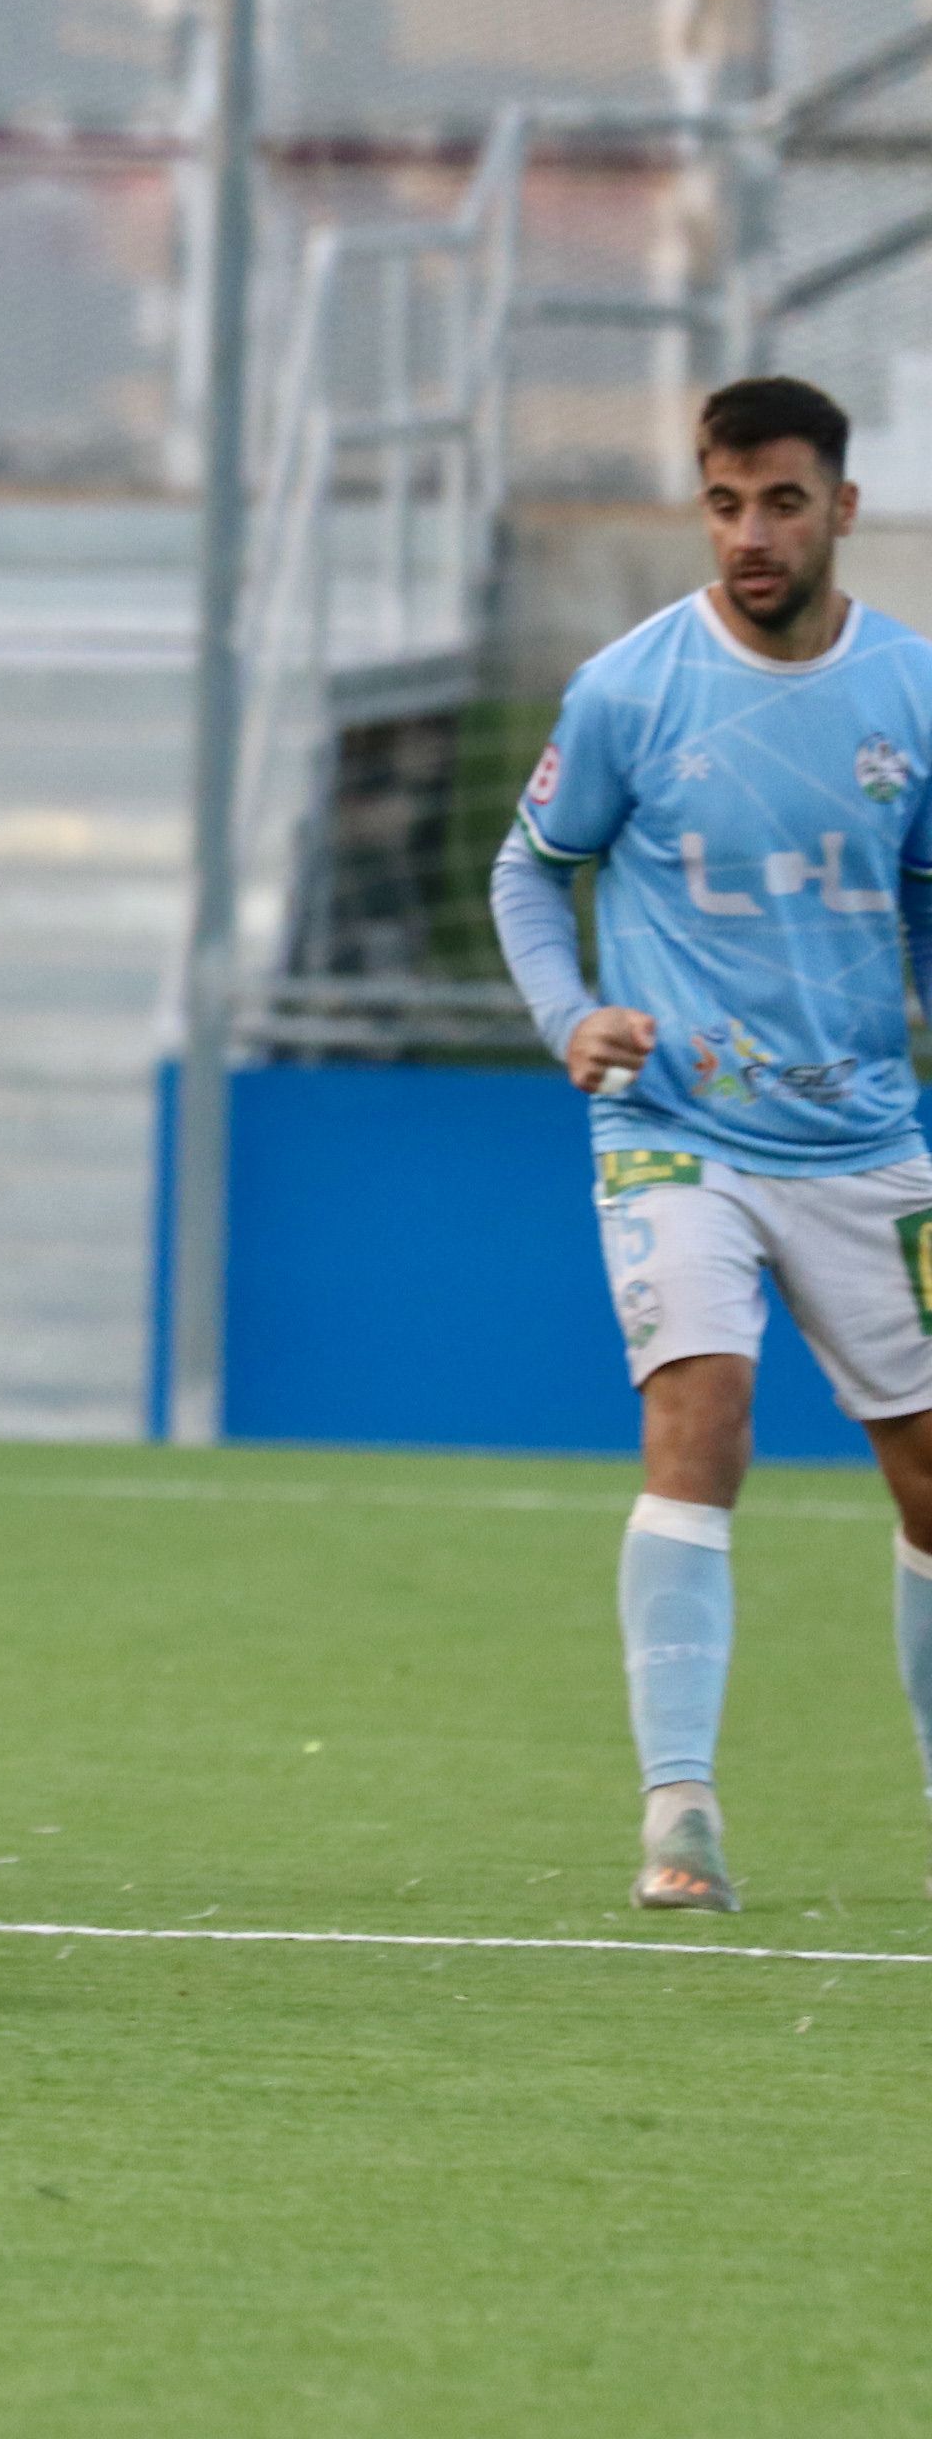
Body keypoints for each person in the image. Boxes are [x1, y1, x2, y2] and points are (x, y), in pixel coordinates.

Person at [490, 374, 932, 1914]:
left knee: (930, 1481)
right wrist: (571, 1020)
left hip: (867, 1141)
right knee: (706, 1415)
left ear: (844, 510)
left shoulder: (911, 692)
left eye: (784, 502)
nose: (751, 533)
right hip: (676, 1129)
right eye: (725, 501)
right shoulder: (631, 687)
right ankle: (680, 1817)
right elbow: (529, 873)